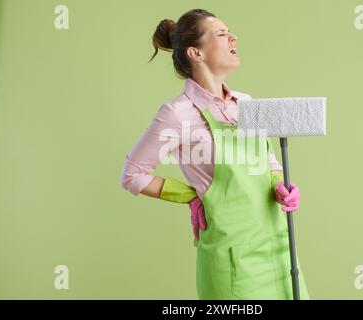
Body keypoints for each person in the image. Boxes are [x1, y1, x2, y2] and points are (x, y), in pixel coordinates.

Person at [119, 8, 310, 300]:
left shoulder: (245, 103)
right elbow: (132, 176)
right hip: (231, 261)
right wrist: (192, 196)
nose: (233, 36)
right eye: (221, 33)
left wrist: (281, 188)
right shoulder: (178, 113)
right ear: (196, 53)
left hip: (279, 250)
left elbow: (269, 164)